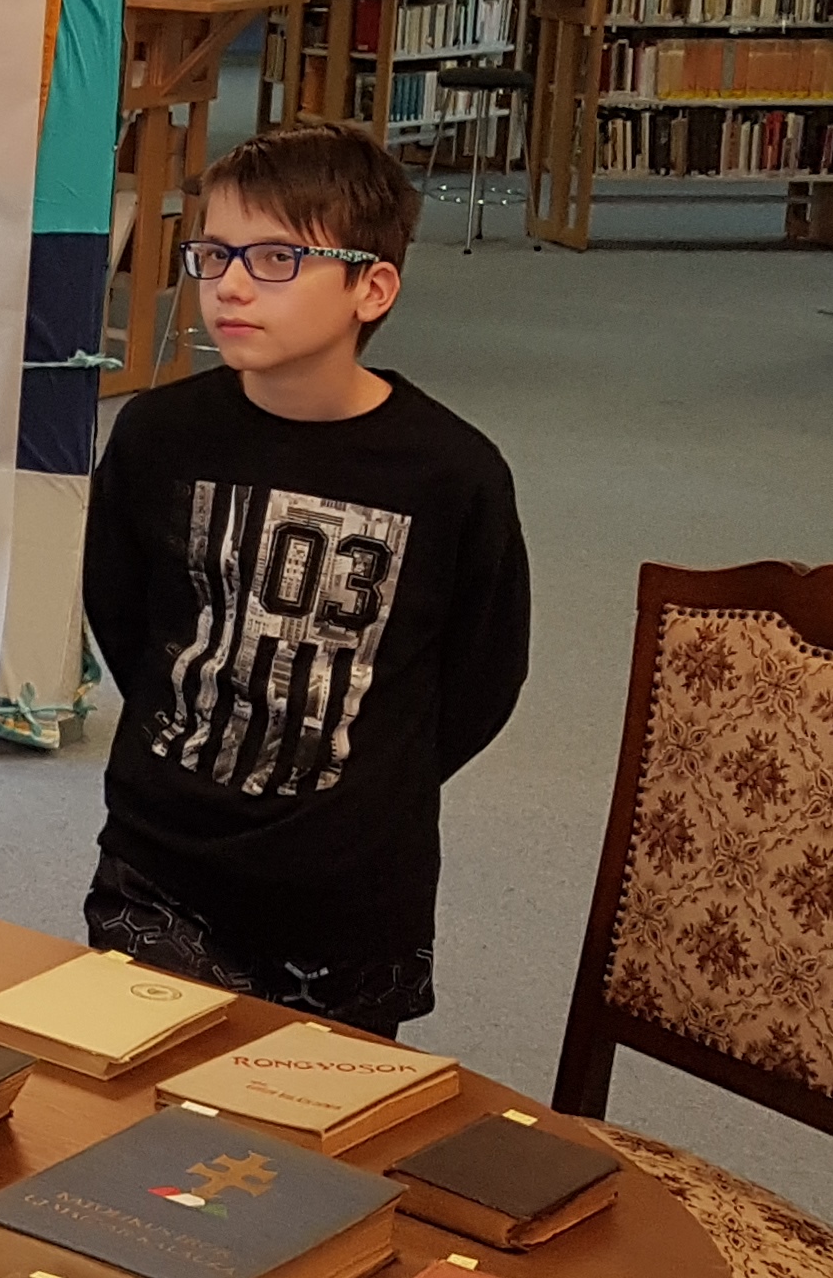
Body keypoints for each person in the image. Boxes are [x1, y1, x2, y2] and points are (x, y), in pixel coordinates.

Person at [82, 119, 531, 1040]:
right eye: (215, 254)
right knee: (145, 1096)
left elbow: (483, 675)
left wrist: (374, 781)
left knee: (317, 1117)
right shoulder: (159, 437)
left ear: (373, 287)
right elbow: (124, 614)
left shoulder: (451, 473)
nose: (232, 285)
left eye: (278, 258)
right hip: (163, 858)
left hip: (351, 881)